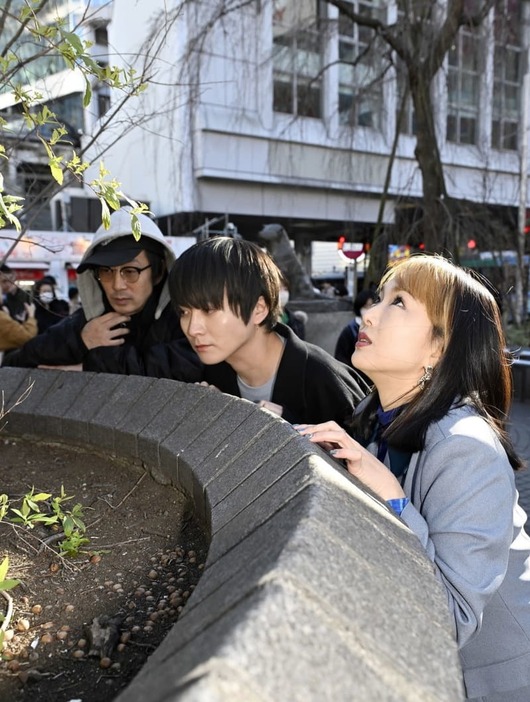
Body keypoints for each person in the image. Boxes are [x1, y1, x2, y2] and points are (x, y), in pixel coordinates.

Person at [295, 254, 530, 701]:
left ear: (438, 348)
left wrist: (392, 498)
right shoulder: (376, 417)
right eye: (379, 298)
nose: (369, 313)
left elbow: (451, 617)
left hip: (491, 680)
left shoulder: (467, 447)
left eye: (397, 303)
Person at [168, 236, 366, 428]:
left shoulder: (324, 381)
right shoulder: (213, 376)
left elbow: (370, 455)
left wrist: (293, 429)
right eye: (184, 312)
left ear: (258, 309)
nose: (193, 328)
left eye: (209, 310)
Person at [3, 207, 202, 381]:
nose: (117, 285)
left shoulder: (184, 317)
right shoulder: (90, 321)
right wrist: (81, 342)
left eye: (130, 271)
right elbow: (17, 363)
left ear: (158, 272)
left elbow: (189, 366)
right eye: (106, 271)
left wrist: (91, 367)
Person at [334, 288, 375, 367]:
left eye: (372, 306)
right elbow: (341, 357)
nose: (369, 310)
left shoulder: (379, 328)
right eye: (366, 306)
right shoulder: (350, 330)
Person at [279, 274, 307, 340]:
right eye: (279, 289)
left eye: (285, 289)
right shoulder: (261, 322)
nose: (283, 293)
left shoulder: (297, 322)